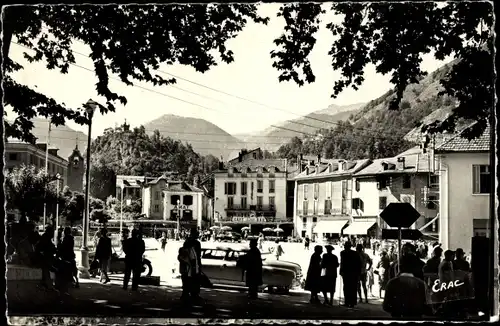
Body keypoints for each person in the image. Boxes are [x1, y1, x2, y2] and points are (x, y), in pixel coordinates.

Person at [182, 228, 203, 303]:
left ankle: (188, 294)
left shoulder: (187, 242)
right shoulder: (196, 243)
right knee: (194, 279)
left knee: (189, 280)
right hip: (192, 264)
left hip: (189, 264)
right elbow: (198, 255)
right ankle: (193, 294)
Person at [340, 241, 362, 308]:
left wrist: (341, 271)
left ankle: (349, 302)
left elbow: (342, 263)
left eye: (346, 246)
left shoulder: (344, 253)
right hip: (350, 273)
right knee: (350, 288)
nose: (345, 247)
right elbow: (342, 262)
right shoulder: (353, 253)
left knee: (349, 288)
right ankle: (350, 302)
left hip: (350, 273)